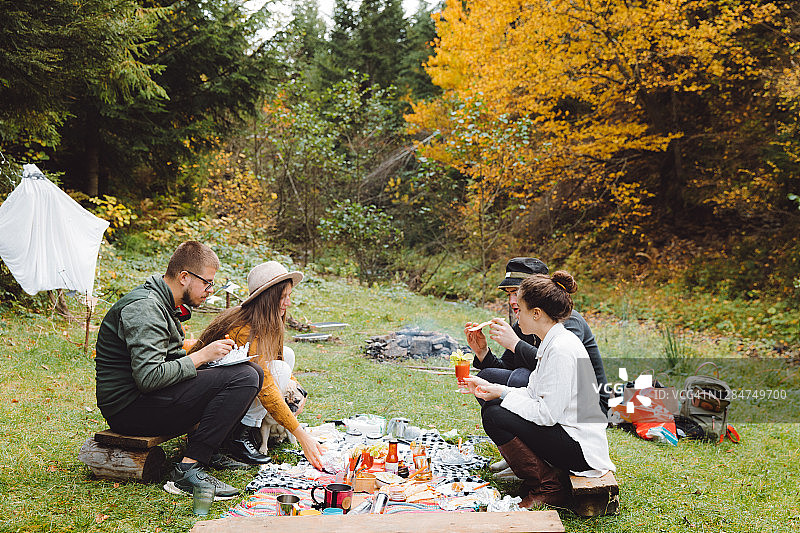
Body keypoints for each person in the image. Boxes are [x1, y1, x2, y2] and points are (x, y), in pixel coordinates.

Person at [95, 241, 264, 499]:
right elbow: (149, 377)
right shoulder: (145, 308)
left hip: (149, 399)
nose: (209, 290)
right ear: (184, 277)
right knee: (244, 377)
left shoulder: (164, 303)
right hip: (129, 410)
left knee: (251, 371)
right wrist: (201, 356)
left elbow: (168, 362)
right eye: (207, 282)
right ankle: (188, 470)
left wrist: (211, 362)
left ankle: (211, 448)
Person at [464, 271, 615, 508]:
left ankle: (549, 487)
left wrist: (502, 395)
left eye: (520, 310)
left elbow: (546, 414)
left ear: (536, 313)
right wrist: (494, 389)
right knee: (495, 407)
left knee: (495, 414)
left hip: (582, 449)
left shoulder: (561, 349)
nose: (517, 318)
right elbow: (533, 393)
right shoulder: (552, 341)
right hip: (566, 432)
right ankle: (540, 478)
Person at [192, 261, 324, 470]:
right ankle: (241, 435)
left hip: (235, 385)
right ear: (267, 298)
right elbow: (266, 386)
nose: (288, 303)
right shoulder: (243, 327)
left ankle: (256, 427)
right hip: (207, 400)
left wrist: (296, 389)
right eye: (283, 297)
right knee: (274, 371)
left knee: (286, 357)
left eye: (289, 296)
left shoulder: (268, 322)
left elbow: (278, 358)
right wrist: (302, 435)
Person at [464, 257, 609, 414]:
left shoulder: (567, 319)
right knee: (487, 377)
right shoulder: (523, 322)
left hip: (586, 401)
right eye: (509, 294)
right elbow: (506, 368)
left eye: (517, 292)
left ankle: (524, 432)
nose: (512, 301)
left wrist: (515, 344)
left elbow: (559, 370)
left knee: (520, 377)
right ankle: (507, 428)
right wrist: (482, 351)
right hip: (543, 392)